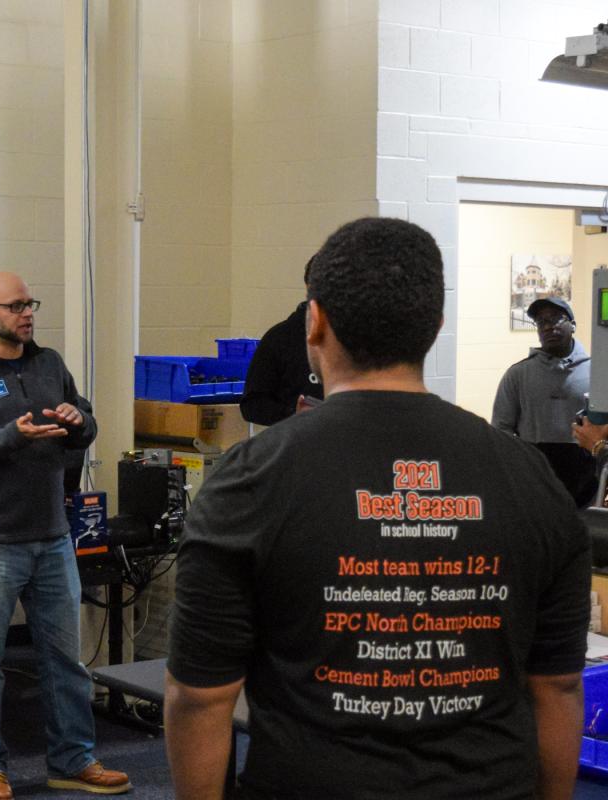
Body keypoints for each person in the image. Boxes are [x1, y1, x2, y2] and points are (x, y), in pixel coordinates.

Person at [165, 217, 589, 800]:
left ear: (315, 322)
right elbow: (560, 688)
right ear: (434, 327)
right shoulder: (532, 478)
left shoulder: (246, 482)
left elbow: (200, 697)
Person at [0, 272, 130, 799]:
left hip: (51, 536)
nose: (27, 313)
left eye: (30, 303)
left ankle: (72, 760)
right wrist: (9, 437)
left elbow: (86, 422)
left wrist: (79, 419)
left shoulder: (49, 364)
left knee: (65, 659)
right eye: (16, 305)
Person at [492, 296, 595, 506]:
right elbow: (501, 429)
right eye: (541, 322)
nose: (548, 327)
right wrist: (519, 465)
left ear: (573, 325)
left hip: (585, 479)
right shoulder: (518, 374)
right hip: (534, 478)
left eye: (556, 319)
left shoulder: (597, 372)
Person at [239, 255, 324, 425]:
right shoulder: (280, 338)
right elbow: (253, 405)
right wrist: (294, 415)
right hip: (299, 443)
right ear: (309, 287)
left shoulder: (361, 338)